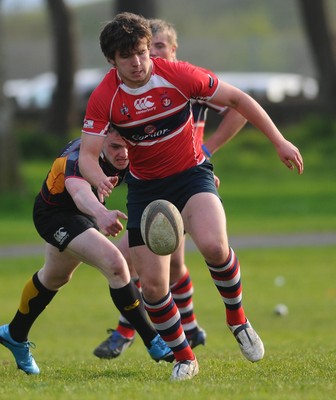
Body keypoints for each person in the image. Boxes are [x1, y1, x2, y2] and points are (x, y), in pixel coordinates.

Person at [78, 12, 304, 381]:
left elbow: (238, 100)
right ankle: (185, 357)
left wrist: (279, 141)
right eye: (126, 57)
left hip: (192, 176)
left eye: (141, 53)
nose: (137, 63)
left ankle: (238, 320)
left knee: (215, 247)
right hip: (146, 189)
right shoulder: (106, 95)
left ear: (149, 48)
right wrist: (100, 179)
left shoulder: (177, 74)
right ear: (112, 61)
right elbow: (88, 155)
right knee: (153, 286)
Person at [93, 18, 247, 360]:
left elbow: (239, 108)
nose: (144, 59)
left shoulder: (186, 80)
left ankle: (133, 331)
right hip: (152, 184)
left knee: (153, 262)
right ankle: (186, 330)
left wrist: (208, 150)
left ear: (171, 50)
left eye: (156, 48)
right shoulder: (125, 91)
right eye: (134, 53)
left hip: (191, 179)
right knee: (157, 267)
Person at [0, 129, 174, 375]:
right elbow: (80, 193)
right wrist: (102, 214)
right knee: (115, 264)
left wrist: (199, 177)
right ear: (100, 142)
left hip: (84, 216)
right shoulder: (77, 158)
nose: (123, 153)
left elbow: (165, 165)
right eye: (115, 147)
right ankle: (154, 341)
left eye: (127, 146)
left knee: (54, 277)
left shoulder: (128, 151)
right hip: (54, 215)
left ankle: (14, 334)